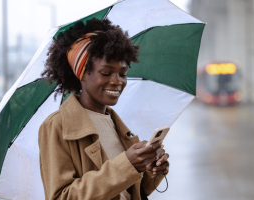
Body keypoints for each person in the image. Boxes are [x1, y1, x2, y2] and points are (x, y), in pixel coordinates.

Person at [38, 18, 170, 200]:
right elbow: (62, 196)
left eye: (123, 74)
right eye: (106, 73)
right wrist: (127, 164)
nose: (117, 81)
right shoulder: (57, 126)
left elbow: (132, 192)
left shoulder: (116, 125)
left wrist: (151, 169)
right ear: (82, 74)